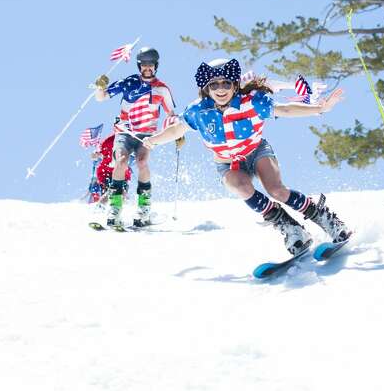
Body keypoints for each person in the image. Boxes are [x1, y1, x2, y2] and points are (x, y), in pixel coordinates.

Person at [142, 58, 351, 256]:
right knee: (240, 186)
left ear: (235, 84)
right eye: (214, 85)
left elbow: (285, 109)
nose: (221, 89)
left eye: (226, 83)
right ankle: (289, 227)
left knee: (276, 190)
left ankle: (325, 218)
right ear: (207, 89)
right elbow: (177, 130)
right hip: (227, 163)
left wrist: (320, 108)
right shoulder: (199, 111)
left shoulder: (252, 103)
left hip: (256, 151)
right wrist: (154, 140)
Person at [93, 47, 177, 226]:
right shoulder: (129, 82)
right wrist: (99, 86)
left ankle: (144, 207)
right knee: (121, 161)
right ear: (139, 66)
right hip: (125, 131)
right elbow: (101, 97)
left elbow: (172, 115)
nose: (148, 68)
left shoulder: (162, 89)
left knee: (141, 162)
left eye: (151, 65)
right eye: (144, 65)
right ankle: (115, 208)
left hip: (146, 134)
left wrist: (177, 133)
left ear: (156, 66)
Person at [87, 131, 133, 204]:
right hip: (107, 173)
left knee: (120, 193)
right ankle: (101, 208)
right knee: (114, 192)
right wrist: (95, 154)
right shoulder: (108, 141)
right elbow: (98, 153)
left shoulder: (130, 140)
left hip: (120, 172)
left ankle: (113, 209)